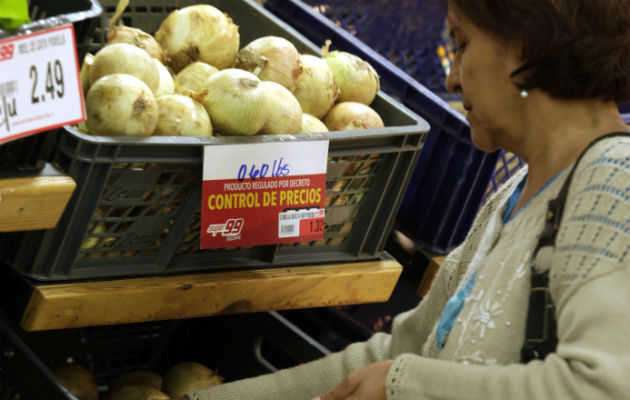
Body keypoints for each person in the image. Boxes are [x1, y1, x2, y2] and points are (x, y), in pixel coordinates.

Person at [178, 0, 630, 398]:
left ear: (524, 45)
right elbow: (404, 349)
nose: (452, 79)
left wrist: (404, 386)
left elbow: (603, 387)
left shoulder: (616, 180)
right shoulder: (513, 197)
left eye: (462, 43)